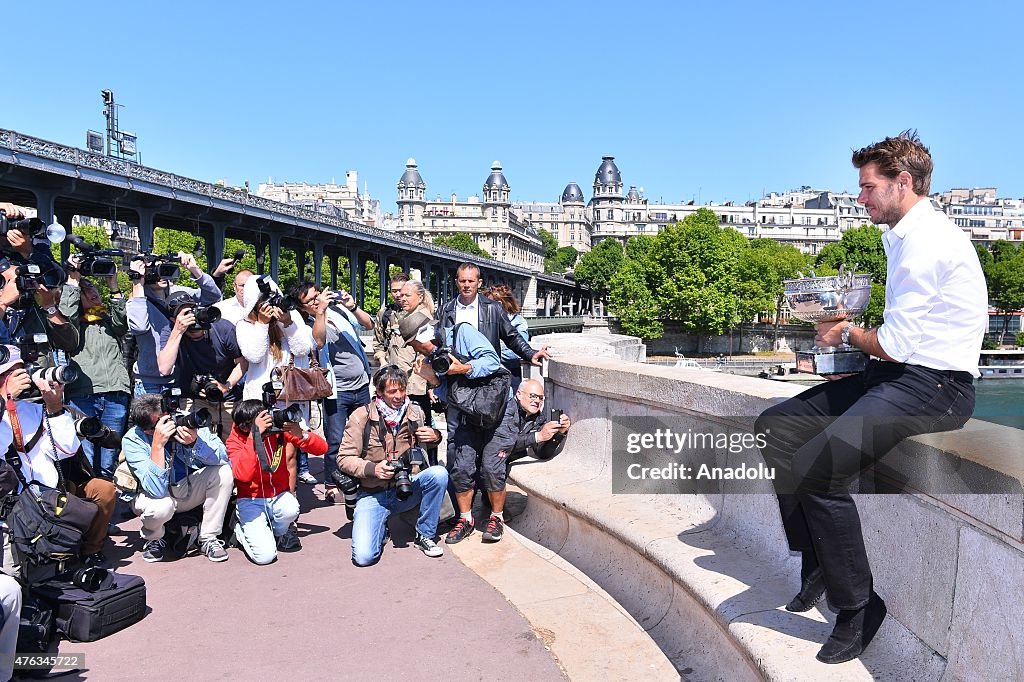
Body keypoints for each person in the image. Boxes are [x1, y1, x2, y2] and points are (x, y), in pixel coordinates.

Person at [754, 132, 987, 664]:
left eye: (868, 187)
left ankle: (858, 607)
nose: (860, 198)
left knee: (816, 470)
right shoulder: (906, 235)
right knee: (776, 425)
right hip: (898, 376)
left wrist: (842, 331)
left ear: (903, 182)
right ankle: (815, 561)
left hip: (936, 389)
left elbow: (900, 342)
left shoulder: (926, 243)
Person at [402, 311, 517, 545]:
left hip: (498, 408)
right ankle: (466, 519)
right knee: (461, 467)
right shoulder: (431, 360)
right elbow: (449, 396)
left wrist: (462, 369)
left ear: (424, 335)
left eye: (415, 344)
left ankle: (496, 518)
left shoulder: (463, 333)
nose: (416, 349)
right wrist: (433, 380)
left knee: (491, 466)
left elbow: (492, 361)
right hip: (467, 412)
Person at [0, 346, 117, 571]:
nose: (18, 379)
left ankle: (90, 550)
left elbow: (66, 449)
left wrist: (54, 406)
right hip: (11, 500)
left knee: (103, 490)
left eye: (20, 372)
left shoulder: (33, 410)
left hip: (49, 492)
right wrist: (5, 401)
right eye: (9, 375)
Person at [336, 365, 446, 566]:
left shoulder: (415, 412)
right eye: (392, 391)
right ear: (379, 392)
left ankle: (425, 535)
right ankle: (381, 526)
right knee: (363, 558)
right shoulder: (361, 416)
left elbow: (426, 444)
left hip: (406, 487)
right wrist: (373, 469)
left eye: (402, 390)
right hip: (373, 493)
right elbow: (343, 458)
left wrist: (436, 436)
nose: (399, 396)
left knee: (439, 474)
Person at [122, 393, 234, 563]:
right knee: (161, 506)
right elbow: (156, 490)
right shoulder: (133, 439)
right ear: (148, 430)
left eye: (167, 419)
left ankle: (208, 537)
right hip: (152, 496)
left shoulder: (184, 420)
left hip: (184, 490)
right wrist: (158, 445)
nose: (170, 425)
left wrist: (195, 443)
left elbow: (223, 458)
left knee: (224, 472)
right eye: (161, 423)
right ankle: (154, 539)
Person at [290, 281, 373, 495]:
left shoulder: (338, 310)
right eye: (310, 299)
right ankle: (332, 484)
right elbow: (318, 340)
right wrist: (320, 312)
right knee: (335, 438)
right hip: (336, 389)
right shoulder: (305, 323)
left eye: (318, 294)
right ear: (302, 306)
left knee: (365, 434)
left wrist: (352, 306)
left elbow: (369, 325)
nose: (317, 299)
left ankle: (362, 479)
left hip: (361, 383)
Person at [226, 399, 327, 564]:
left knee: (291, 509)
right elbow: (242, 475)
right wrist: (254, 437)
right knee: (265, 557)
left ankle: (278, 533)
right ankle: (240, 530)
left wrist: (302, 435)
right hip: (250, 500)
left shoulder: (277, 429)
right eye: (246, 427)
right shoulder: (236, 439)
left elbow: (322, 449)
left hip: (278, 495)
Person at [59, 258, 131, 480]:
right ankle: (89, 504)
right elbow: (65, 314)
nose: (93, 294)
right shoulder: (72, 326)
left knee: (109, 458)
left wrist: (113, 285)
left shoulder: (107, 321)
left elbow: (123, 323)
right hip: (83, 395)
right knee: (87, 457)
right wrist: (74, 280)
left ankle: (106, 506)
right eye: (85, 291)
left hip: (115, 395)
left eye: (93, 288)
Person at [127, 252, 229, 396]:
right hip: (150, 382)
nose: (163, 274)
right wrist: (137, 283)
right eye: (157, 270)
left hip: (177, 379)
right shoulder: (139, 300)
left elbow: (214, 296)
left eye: (165, 268)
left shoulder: (177, 292)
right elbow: (139, 326)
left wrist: (194, 269)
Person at [157, 291, 246, 435]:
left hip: (227, 400)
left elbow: (243, 362)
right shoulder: (170, 331)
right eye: (184, 314)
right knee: (196, 450)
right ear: (174, 319)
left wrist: (227, 385)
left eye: (191, 311)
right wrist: (178, 331)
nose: (192, 319)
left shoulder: (222, 328)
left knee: (232, 449)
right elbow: (164, 369)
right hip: (192, 399)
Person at [437, 263, 547, 366]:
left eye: (471, 281)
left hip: (485, 374)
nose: (466, 285)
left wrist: (530, 354)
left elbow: (511, 337)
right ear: (456, 282)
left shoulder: (494, 309)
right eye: (462, 281)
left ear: (479, 283)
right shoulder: (444, 311)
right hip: (454, 374)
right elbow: (436, 342)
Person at [235, 275, 316, 403]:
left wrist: (288, 324)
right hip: (261, 396)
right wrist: (262, 324)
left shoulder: (291, 316)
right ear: (254, 303)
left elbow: (303, 350)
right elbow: (254, 356)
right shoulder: (244, 325)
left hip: (293, 395)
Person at [504, 379, 572, 467]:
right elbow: (504, 443)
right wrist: (538, 436)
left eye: (540, 398)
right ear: (519, 394)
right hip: (492, 463)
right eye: (532, 396)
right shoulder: (507, 410)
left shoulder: (538, 417)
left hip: (513, 462)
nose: (537, 401)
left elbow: (543, 454)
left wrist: (559, 433)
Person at [483, 284, 530, 392]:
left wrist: (490, 356)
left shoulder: (518, 322)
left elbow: (518, 351)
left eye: (491, 304)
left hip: (510, 373)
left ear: (502, 303)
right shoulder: (483, 322)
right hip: (487, 373)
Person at [372, 272, 410, 367]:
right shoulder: (384, 314)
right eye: (394, 291)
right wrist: (382, 361)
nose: (397, 294)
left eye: (400, 290)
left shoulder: (420, 312)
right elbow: (378, 343)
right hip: (392, 370)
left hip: (415, 371)